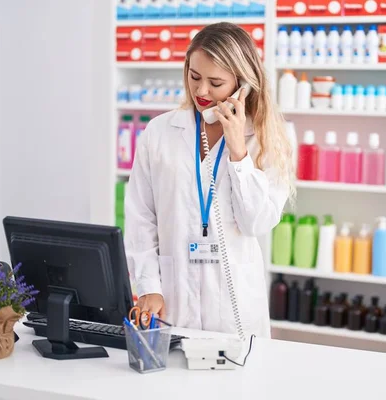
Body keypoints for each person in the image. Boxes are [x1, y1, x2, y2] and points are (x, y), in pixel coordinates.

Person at [124, 22, 293, 338]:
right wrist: (149, 286)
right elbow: (141, 218)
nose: (201, 91)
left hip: (235, 312)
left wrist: (238, 152)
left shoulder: (267, 140)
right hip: (172, 306)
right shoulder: (159, 133)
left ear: (242, 84)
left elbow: (257, 223)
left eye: (215, 82)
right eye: (194, 76)